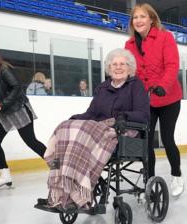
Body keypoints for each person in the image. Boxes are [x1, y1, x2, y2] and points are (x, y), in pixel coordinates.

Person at [38, 48, 150, 210]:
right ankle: (62, 191)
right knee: (66, 127)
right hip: (99, 128)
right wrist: (75, 119)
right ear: (109, 68)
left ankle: (78, 192)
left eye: (122, 64)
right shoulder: (103, 88)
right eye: (114, 64)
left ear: (130, 67)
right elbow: (91, 113)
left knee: (85, 133)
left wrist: (123, 116)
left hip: (125, 130)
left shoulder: (136, 86)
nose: (118, 67)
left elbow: (144, 114)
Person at [124, 3, 184, 197]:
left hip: (168, 97)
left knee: (167, 138)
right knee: (146, 143)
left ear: (151, 19)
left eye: (142, 16)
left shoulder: (165, 37)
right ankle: (149, 181)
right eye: (135, 17)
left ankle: (177, 175)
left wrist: (162, 87)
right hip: (146, 101)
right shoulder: (129, 44)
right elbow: (131, 71)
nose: (139, 21)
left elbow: (172, 65)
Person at [0, 43, 47, 188]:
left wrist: (3, 104)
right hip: (1, 115)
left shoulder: (3, 69)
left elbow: (17, 87)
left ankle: (58, 166)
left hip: (17, 111)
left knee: (31, 141)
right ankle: (5, 176)